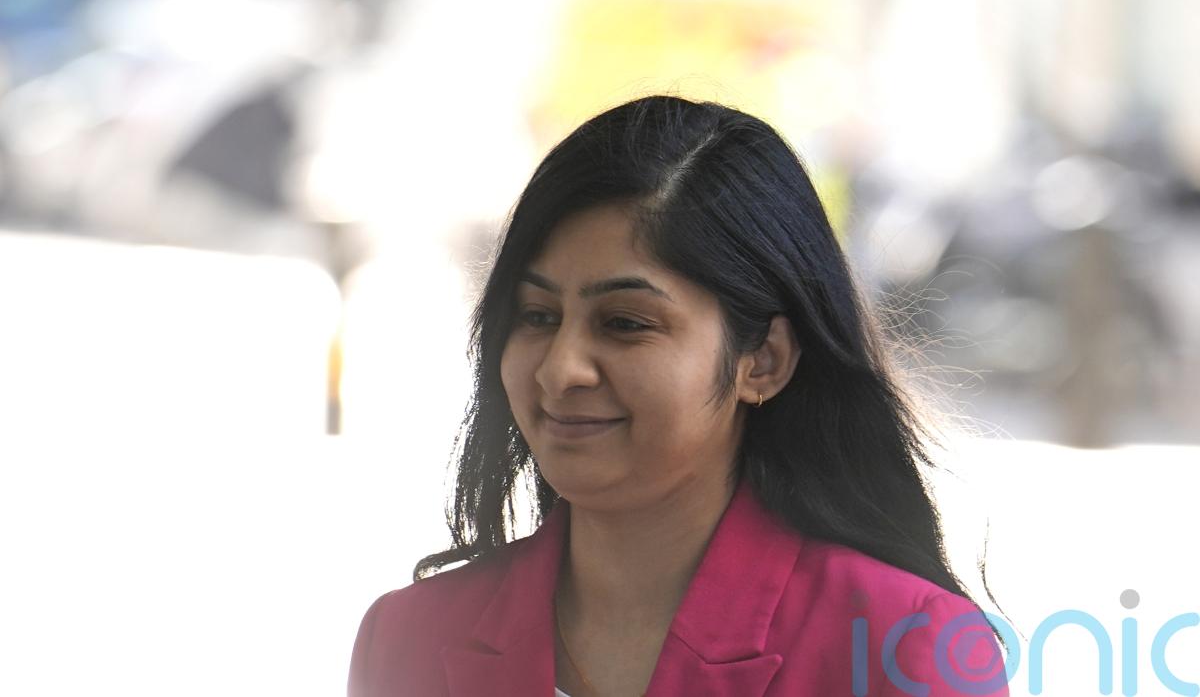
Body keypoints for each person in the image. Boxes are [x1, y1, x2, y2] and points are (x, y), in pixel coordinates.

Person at [347, 95, 1010, 696]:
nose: (560, 370)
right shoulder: (407, 638)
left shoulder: (906, 646)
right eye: (537, 317)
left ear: (764, 361)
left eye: (624, 323)